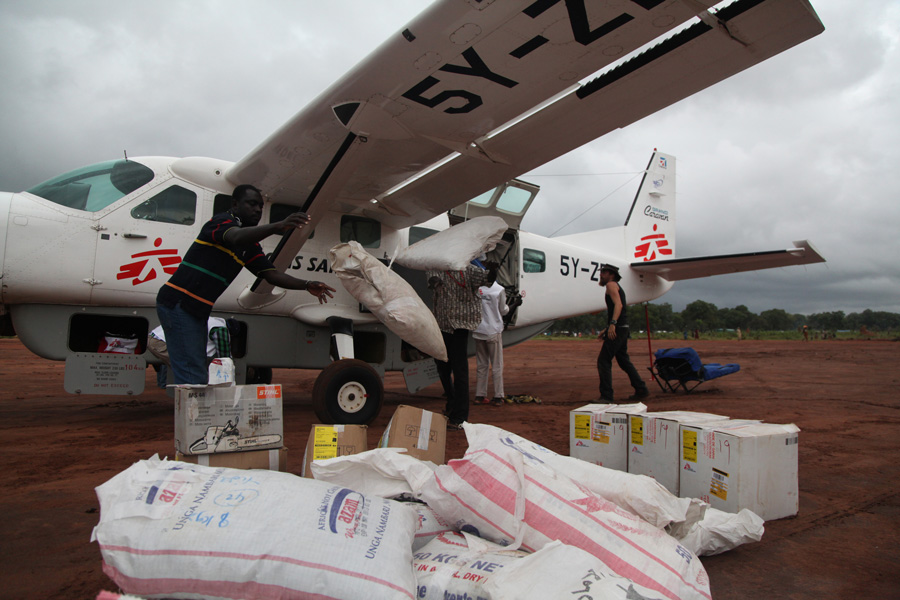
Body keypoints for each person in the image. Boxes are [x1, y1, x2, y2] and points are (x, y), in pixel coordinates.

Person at [156, 184, 336, 385]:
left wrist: (307, 284)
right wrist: (277, 226)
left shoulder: (250, 247)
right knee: (193, 376)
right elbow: (235, 236)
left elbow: (272, 275)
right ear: (235, 204)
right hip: (179, 303)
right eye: (252, 204)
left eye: (260, 206)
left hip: (196, 309)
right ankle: (193, 414)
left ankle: (195, 413)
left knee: (196, 369)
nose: (258, 210)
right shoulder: (221, 222)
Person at [427, 262, 491, 430]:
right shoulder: (437, 268)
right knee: (442, 367)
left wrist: (494, 271)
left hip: (459, 327)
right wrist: (435, 281)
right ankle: (452, 402)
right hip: (442, 325)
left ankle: (459, 417)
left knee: (459, 371)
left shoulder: (469, 270)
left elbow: (487, 279)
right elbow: (432, 281)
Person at [596, 264, 649, 402]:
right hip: (623, 327)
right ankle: (641, 389)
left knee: (603, 361)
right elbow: (619, 308)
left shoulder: (611, 285)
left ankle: (606, 396)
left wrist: (613, 325)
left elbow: (618, 305)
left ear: (611, 275)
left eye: (604, 272)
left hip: (618, 328)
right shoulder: (614, 286)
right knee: (623, 360)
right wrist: (607, 328)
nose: (601, 274)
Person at [473, 272, 518, 407]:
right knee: (497, 365)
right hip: (493, 331)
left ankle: (480, 395)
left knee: (482, 365)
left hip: (478, 331)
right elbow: (504, 311)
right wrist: (516, 303)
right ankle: (498, 396)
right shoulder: (499, 290)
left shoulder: (478, 289)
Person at [148, 317, 231, 388]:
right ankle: (191, 398)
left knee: (187, 369)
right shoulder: (220, 328)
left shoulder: (213, 322)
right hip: (160, 341)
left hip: (157, 338)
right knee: (188, 369)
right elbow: (224, 358)